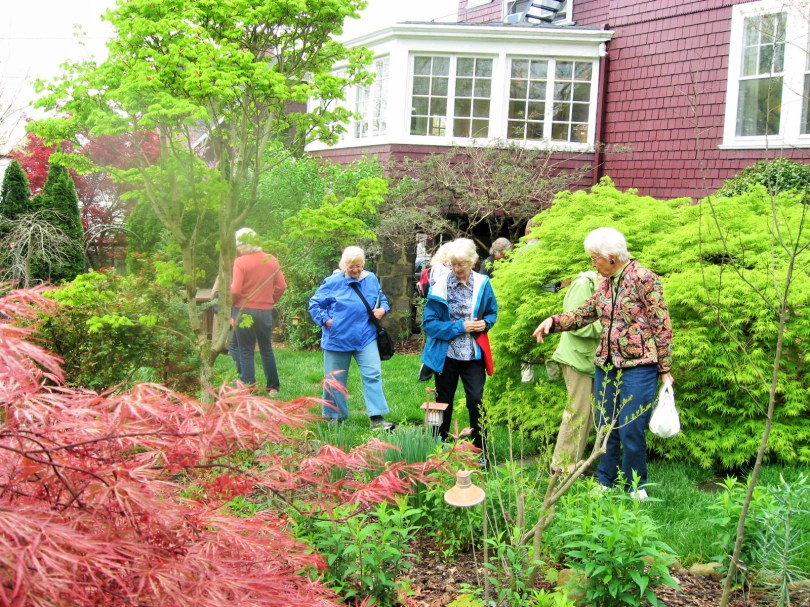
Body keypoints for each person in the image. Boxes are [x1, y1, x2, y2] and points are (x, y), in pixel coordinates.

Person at [533, 228, 674, 499]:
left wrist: (665, 369)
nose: (593, 263)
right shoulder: (606, 283)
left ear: (611, 256)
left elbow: (662, 325)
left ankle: (636, 486)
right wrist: (554, 321)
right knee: (605, 424)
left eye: (595, 258)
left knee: (631, 426)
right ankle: (605, 480)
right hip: (606, 365)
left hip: (639, 365)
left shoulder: (644, 279)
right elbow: (586, 312)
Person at [421, 238, 498, 460]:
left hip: (473, 355)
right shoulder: (441, 285)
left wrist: (485, 324)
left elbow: (492, 312)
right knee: (442, 402)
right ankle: (438, 451)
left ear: (472, 261)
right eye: (453, 264)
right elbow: (430, 323)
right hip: (446, 356)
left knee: (476, 401)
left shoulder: (483, 283)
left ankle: (480, 451)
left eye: (461, 264)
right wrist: (459, 326)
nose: (457, 269)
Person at [308, 246, 395, 430]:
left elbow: (382, 299)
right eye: (350, 266)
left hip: (365, 336)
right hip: (337, 338)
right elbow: (314, 304)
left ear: (363, 264)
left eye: (358, 265)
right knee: (335, 379)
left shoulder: (371, 279)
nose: (355, 270)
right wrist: (327, 321)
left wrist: (383, 309)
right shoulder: (332, 282)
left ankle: (376, 417)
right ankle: (334, 415)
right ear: (343, 265)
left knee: (373, 374)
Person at [549, 271, 601, 474]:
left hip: (590, 360)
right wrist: (609, 325)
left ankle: (572, 463)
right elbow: (576, 325)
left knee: (587, 415)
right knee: (577, 412)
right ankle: (560, 468)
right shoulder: (584, 284)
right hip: (576, 359)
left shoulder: (605, 284)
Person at [231, 228, 287, 393]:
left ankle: (250, 388)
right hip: (265, 311)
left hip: (244, 310)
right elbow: (282, 286)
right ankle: (273, 388)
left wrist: (234, 305)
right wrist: (270, 301)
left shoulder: (240, 262)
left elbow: (235, 290)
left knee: (246, 350)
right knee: (266, 348)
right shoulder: (271, 259)